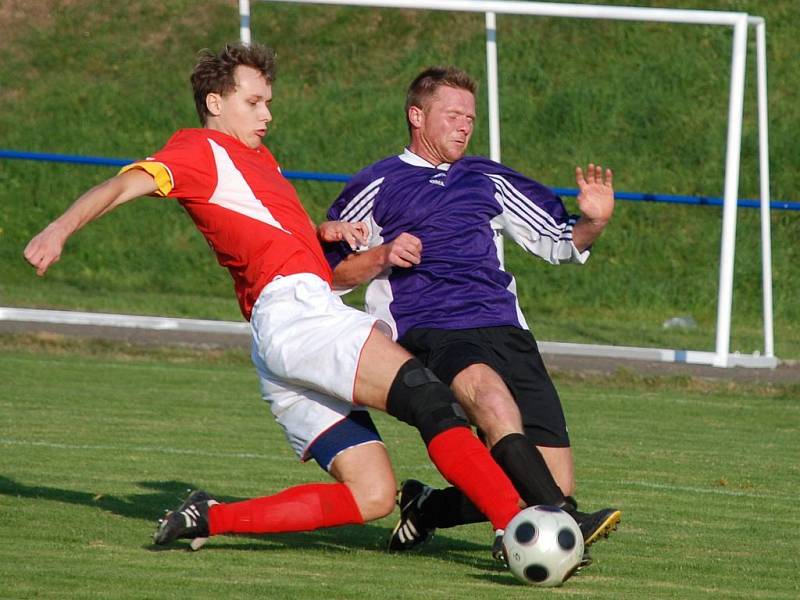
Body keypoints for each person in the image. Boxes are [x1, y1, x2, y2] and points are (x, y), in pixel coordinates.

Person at [23, 45, 526, 555]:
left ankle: (206, 519)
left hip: (283, 334)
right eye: (254, 101)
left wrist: (320, 234)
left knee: (371, 496)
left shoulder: (258, 159)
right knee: (430, 398)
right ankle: (518, 528)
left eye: (268, 102)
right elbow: (121, 185)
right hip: (298, 317)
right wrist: (59, 229)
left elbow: (265, 234)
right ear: (216, 102)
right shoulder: (200, 150)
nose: (268, 114)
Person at [324, 66, 620, 562]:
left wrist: (593, 222)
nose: (465, 126)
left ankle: (428, 509)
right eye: (453, 114)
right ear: (417, 116)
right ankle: (563, 519)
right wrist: (381, 255)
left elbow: (559, 242)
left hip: (507, 329)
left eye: (470, 117)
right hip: (433, 328)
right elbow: (328, 275)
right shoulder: (377, 183)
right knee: (490, 399)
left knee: (547, 475)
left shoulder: (486, 177)